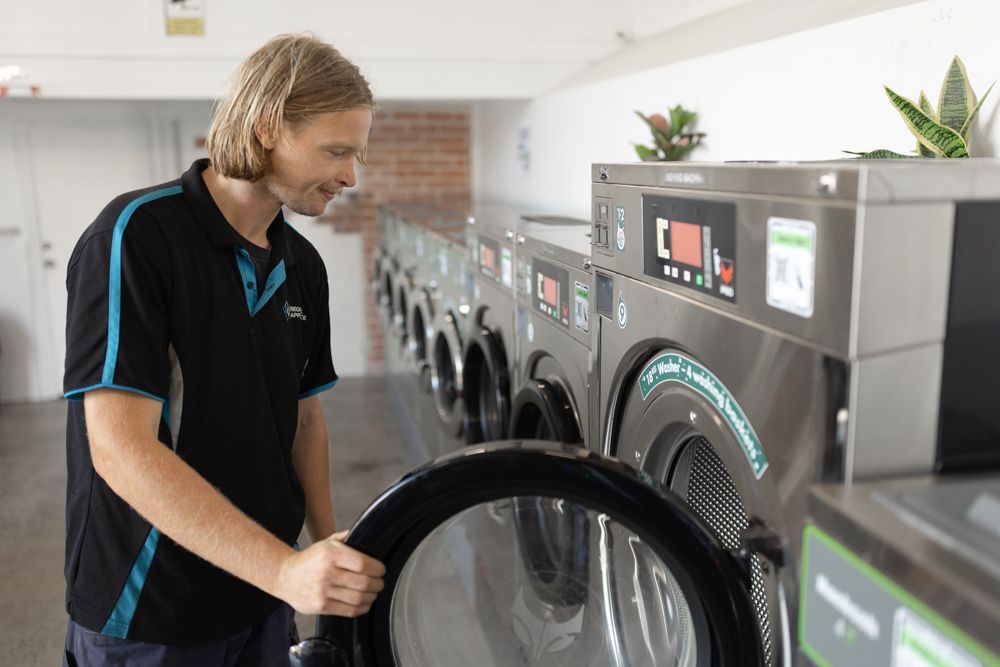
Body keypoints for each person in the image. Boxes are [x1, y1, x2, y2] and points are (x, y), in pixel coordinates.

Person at [61, 33, 385, 666]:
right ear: (267, 127)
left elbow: (305, 418)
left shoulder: (302, 263)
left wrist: (325, 553)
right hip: (153, 607)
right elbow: (121, 449)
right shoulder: (137, 236)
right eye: (337, 151)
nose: (351, 175)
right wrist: (287, 571)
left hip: (264, 594)